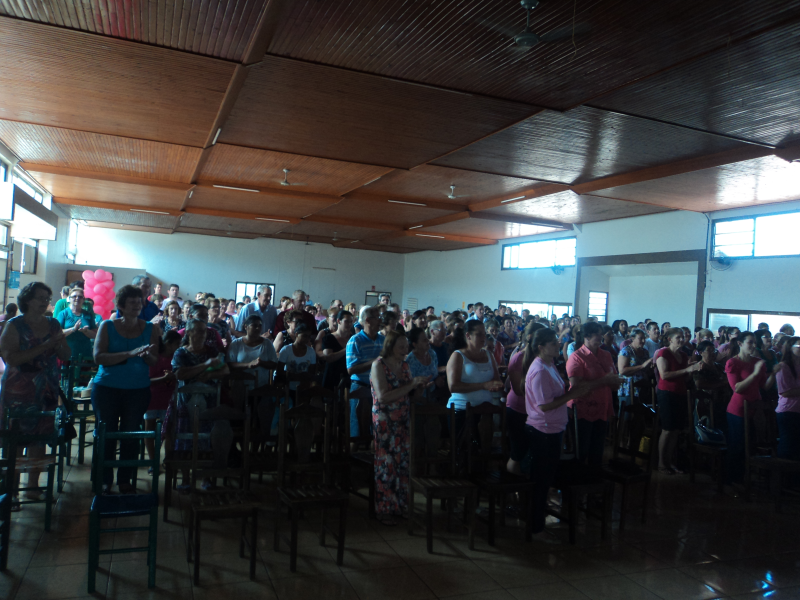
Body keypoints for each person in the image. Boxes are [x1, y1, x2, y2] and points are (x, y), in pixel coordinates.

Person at [0, 282, 70, 505]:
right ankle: (10, 491)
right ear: (27, 300)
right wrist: (45, 345)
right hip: (19, 389)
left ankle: (32, 486)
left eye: (46, 298)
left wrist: (58, 345)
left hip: (46, 389)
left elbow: (66, 355)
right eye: (39, 297)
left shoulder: (53, 323)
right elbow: (11, 358)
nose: (44, 302)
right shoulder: (15, 325)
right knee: (16, 440)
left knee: (40, 438)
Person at [93, 285, 159, 493]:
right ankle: (104, 479)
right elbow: (98, 357)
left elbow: (154, 360)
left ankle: (125, 479)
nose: (136, 306)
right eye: (131, 303)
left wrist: (146, 356)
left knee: (130, 434)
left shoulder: (150, 328)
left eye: (139, 303)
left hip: (137, 389)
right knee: (107, 433)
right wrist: (129, 354)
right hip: (107, 387)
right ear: (121, 305)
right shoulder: (107, 326)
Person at [525, 328, 591, 538]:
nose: (557, 345)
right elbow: (544, 405)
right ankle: (535, 526)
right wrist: (572, 394)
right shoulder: (540, 370)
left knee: (546, 478)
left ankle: (538, 522)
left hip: (553, 428)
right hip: (543, 430)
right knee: (541, 480)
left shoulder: (549, 364)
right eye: (553, 343)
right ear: (541, 347)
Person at [370, 330, 428, 525]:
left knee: (403, 463)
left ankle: (400, 505)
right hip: (385, 421)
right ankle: (384, 508)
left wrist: (418, 388)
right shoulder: (379, 365)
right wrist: (411, 385)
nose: (406, 349)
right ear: (390, 346)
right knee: (387, 463)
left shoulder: (404, 365)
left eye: (406, 346)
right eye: (401, 346)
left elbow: (411, 395)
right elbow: (383, 396)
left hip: (403, 419)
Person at [172, 319, 230, 488]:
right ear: (188, 333)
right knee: (185, 440)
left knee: (207, 439)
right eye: (198, 331)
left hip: (209, 401)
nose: (201, 335)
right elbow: (180, 374)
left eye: (204, 332)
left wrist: (210, 375)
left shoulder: (211, 350)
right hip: (185, 402)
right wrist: (204, 366)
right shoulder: (181, 353)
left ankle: (205, 477)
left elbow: (225, 369)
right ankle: (185, 478)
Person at [566, 321, 623, 467]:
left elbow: (613, 377)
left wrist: (615, 382)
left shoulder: (606, 355)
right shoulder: (577, 356)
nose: (601, 336)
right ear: (586, 336)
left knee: (597, 450)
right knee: (582, 450)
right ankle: (578, 486)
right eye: (597, 333)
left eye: (601, 333)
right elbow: (577, 386)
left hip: (602, 405)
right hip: (582, 408)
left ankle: (594, 483)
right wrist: (604, 381)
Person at [725, 331, 776, 487]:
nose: (754, 345)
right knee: (737, 445)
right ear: (740, 344)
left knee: (750, 444)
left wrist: (774, 373)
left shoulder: (757, 362)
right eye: (750, 342)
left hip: (755, 409)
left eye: (755, 342)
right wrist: (754, 373)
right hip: (738, 410)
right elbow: (737, 388)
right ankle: (732, 479)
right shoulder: (733, 362)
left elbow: (765, 386)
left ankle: (745, 477)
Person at [446, 320, 503, 456]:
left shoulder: (488, 355)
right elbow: (453, 386)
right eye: (479, 335)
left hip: (484, 411)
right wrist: (483, 385)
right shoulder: (458, 355)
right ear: (468, 335)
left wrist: (496, 385)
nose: (484, 338)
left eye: (484, 334)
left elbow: (497, 380)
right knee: (464, 452)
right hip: (461, 410)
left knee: (483, 451)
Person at [653, 327, 702, 474]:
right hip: (667, 393)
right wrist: (687, 370)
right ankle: (661, 463)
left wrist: (692, 370)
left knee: (676, 430)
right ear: (670, 339)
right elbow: (665, 375)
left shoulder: (683, 354)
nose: (681, 339)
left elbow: (684, 377)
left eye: (682, 337)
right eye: (678, 337)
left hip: (680, 392)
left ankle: (670, 461)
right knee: (667, 429)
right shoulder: (663, 353)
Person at [346, 306, 385, 438]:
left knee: (376, 428)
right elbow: (351, 369)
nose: (381, 320)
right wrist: (376, 362)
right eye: (378, 317)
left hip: (378, 387)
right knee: (357, 428)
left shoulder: (382, 340)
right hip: (360, 387)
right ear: (368, 320)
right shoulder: (356, 340)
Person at [146, 330, 181, 465]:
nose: (179, 346)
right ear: (168, 343)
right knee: (150, 430)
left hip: (169, 399)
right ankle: (152, 461)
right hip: (152, 398)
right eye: (177, 343)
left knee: (169, 432)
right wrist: (164, 378)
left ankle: (168, 460)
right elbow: (147, 381)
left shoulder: (176, 358)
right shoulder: (155, 358)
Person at [775, 336, 800, 461]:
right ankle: (782, 477)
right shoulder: (783, 366)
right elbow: (784, 391)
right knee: (788, 445)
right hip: (788, 411)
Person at [56, 285, 97, 361]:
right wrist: (73, 329)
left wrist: (86, 331)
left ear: (83, 299)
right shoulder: (63, 314)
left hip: (85, 354)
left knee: (84, 372)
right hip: (66, 354)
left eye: (80, 297)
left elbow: (95, 335)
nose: (77, 298)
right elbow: (57, 333)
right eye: (74, 296)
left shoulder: (88, 314)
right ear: (70, 298)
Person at [617, 328, 653, 412]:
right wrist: (642, 366)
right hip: (628, 389)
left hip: (642, 388)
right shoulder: (626, 351)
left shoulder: (645, 352)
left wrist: (650, 367)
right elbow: (622, 370)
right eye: (640, 338)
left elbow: (646, 370)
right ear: (633, 338)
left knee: (640, 416)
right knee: (627, 416)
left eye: (644, 338)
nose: (643, 341)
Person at [320, 310, 353, 391]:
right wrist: (347, 349)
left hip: (348, 376)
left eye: (351, 322)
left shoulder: (353, 338)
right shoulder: (329, 338)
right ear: (339, 321)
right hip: (332, 376)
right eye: (346, 321)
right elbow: (328, 358)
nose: (349, 324)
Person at [278, 323, 316, 392]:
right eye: (304, 336)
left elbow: (312, 372)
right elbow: (279, 371)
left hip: (304, 387)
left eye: (308, 337)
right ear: (296, 334)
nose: (307, 339)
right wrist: (293, 376)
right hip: (287, 387)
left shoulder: (311, 351)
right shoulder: (286, 350)